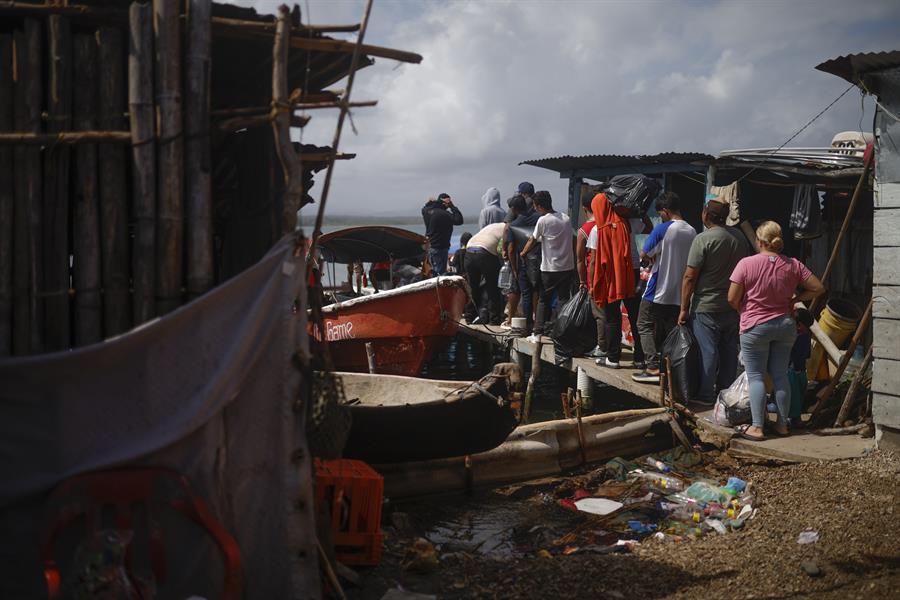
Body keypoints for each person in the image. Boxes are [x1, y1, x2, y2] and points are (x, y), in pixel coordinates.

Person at [728, 221, 824, 441]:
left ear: (759, 241)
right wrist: (797, 299)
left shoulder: (746, 264)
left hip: (755, 326)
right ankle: (782, 425)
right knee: (780, 375)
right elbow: (818, 288)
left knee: (756, 377)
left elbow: (732, 298)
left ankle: (757, 427)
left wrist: (743, 308)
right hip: (785, 325)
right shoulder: (793, 264)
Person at [678, 198, 751, 405]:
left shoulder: (703, 239)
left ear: (706, 215)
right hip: (732, 304)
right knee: (728, 351)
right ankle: (724, 393)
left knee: (707, 351)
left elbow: (689, 277)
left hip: (706, 306)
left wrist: (684, 308)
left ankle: (705, 395)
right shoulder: (740, 238)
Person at [633, 192, 696, 383]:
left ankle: (652, 367)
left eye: (660, 212)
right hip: (679, 292)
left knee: (643, 324)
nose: (660, 216)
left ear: (666, 211)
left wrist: (649, 256)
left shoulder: (663, 229)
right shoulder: (692, 230)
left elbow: (644, 252)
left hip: (658, 289)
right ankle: (669, 368)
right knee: (670, 330)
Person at [587, 194, 646, 369]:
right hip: (632, 272)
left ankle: (613, 358)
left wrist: (591, 284)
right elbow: (648, 226)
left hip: (610, 275)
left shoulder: (598, 229)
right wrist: (639, 211)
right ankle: (640, 359)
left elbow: (593, 261)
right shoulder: (628, 222)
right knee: (635, 316)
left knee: (612, 317)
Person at [519, 190, 575, 338]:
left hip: (550, 268)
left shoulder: (543, 220)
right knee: (563, 299)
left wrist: (523, 253)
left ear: (538, 206)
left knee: (543, 299)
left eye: (536, 206)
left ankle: (537, 333)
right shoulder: (566, 218)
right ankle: (562, 332)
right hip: (567, 267)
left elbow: (532, 239)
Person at [504, 194, 540, 333]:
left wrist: (514, 269)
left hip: (524, 263)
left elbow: (511, 249)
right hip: (540, 260)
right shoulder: (538, 218)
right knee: (537, 292)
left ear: (513, 209)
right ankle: (538, 323)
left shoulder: (514, 225)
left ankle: (528, 325)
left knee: (526, 294)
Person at [576, 193, 606, 358]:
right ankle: (608, 346)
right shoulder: (607, 225)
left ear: (585, 208)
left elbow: (580, 260)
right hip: (610, 275)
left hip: (593, 277)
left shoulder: (585, 230)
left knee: (598, 314)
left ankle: (601, 347)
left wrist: (582, 281)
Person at [465, 222, 506, 324]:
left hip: (469, 250)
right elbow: (503, 250)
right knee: (493, 288)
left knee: (473, 287)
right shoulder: (509, 228)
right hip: (485, 252)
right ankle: (494, 319)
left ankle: (469, 317)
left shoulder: (493, 226)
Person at [422, 193, 463, 275]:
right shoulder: (445, 214)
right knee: (439, 275)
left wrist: (430, 203)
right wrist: (452, 206)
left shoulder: (427, 211)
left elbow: (424, 208)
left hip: (430, 247)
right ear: (445, 203)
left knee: (434, 272)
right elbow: (459, 220)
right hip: (440, 248)